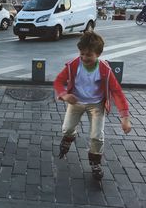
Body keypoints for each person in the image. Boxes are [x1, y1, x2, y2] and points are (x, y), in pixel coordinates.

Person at [53, 31, 131, 180]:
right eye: (82, 54)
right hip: (76, 102)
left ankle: (95, 163)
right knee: (67, 128)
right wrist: (64, 95)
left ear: (98, 54)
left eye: (88, 55)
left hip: (96, 105)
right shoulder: (74, 65)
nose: (84, 58)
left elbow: (117, 92)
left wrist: (125, 117)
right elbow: (58, 81)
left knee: (97, 136)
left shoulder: (104, 70)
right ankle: (68, 138)